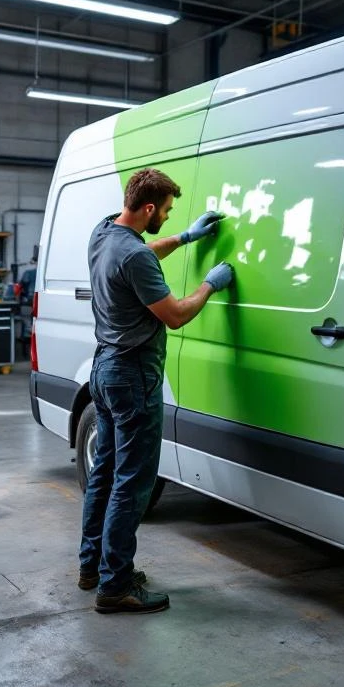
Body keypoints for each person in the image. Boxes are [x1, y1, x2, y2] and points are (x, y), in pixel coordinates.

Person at [79, 167, 234, 614]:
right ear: (148, 208)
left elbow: (142, 252)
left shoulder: (104, 233)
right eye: (166, 212)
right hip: (133, 376)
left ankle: (95, 567)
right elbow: (176, 314)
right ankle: (116, 586)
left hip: (104, 371)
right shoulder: (135, 257)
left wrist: (185, 238)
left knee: (105, 477)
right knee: (132, 484)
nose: (166, 217)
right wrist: (210, 284)